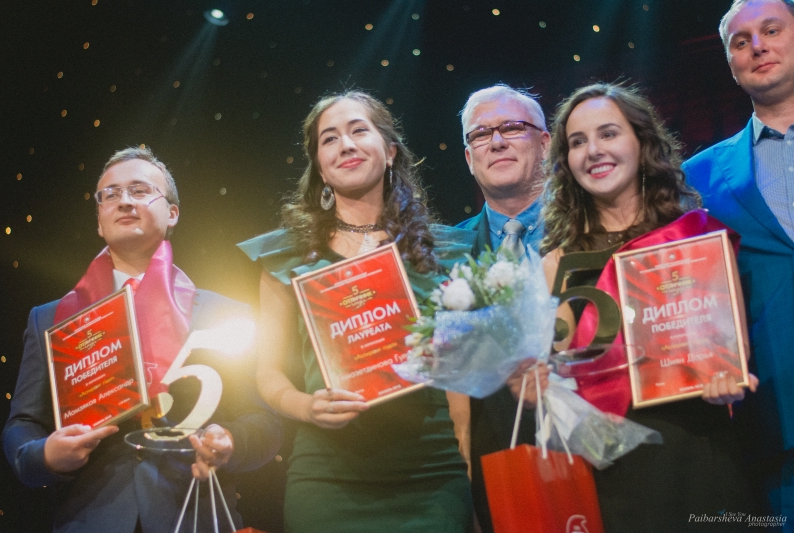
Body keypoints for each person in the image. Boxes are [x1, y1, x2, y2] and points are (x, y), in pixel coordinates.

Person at [2, 147, 282, 533]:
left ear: (172, 213)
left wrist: (231, 441)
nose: (125, 201)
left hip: (193, 515)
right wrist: (46, 455)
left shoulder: (222, 314)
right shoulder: (51, 319)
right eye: (111, 195)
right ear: (99, 221)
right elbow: (23, 424)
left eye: (139, 190)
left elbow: (265, 421)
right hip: (88, 519)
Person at [237, 91, 474, 532]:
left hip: (433, 472)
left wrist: (465, 449)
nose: (345, 145)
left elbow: (461, 367)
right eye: (329, 139)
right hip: (327, 477)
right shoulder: (286, 257)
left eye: (358, 130)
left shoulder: (445, 251)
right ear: (319, 165)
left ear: (390, 151)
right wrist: (307, 407)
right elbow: (267, 372)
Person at [541, 83, 758, 532]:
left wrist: (729, 383)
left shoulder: (696, 238)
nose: (593, 151)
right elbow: (558, 387)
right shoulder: (556, 264)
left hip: (701, 455)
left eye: (608, 134)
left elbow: (731, 353)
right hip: (615, 475)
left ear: (642, 142)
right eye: (577, 142)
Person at [683, 0, 794, 519]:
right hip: (776, 425)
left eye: (771, 30)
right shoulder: (697, 178)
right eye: (741, 41)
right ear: (730, 61)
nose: (758, 47)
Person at [454, 84, 551, 533]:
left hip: (605, 462)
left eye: (512, 127)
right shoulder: (442, 253)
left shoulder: (597, 227)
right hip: (494, 478)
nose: (496, 142)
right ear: (469, 157)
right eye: (480, 134)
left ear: (545, 142)